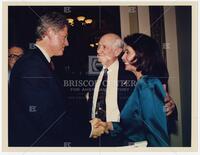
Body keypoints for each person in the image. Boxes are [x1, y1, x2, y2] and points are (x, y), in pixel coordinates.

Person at [9, 12, 105, 146]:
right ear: (49, 32)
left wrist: (87, 123)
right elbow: (47, 119)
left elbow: (58, 107)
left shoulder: (39, 62)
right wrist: (88, 129)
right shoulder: (32, 66)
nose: (67, 43)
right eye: (64, 37)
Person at [89, 33, 177, 146]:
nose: (98, 50)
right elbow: (133, 120)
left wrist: (170, 106)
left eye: (104, 47)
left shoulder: (139, 79)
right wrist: (107, 125)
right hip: (98, 137)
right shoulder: (90, 71)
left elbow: (157, 132)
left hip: (125, 143)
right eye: (98, 46)